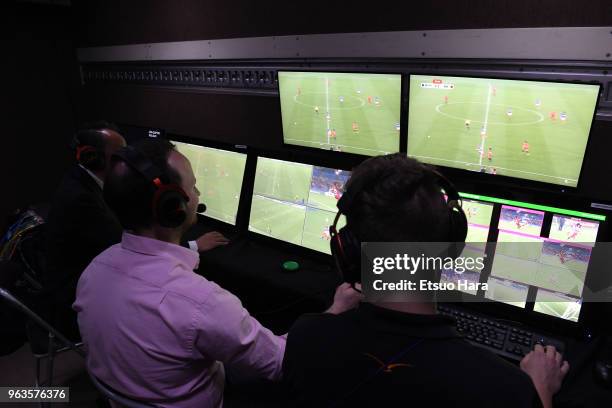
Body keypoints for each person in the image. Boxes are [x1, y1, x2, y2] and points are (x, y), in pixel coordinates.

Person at [74, 139, 360, 407]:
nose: (198, 195)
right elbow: (282, 363)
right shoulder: (200, 301)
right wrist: (333, 312)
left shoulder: (93, 270)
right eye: (193, 187)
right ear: (172, 208)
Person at [283, 154, 568, 408]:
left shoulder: (305, 336)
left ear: (348, 249)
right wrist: (540, 388)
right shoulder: (505, 387)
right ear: (450, 248)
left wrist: (331, 315)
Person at [45, 122, 229, 340]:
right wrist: (195, 245)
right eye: (120, 155)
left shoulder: (85, 185)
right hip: (67, 302)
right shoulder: (82, 201)